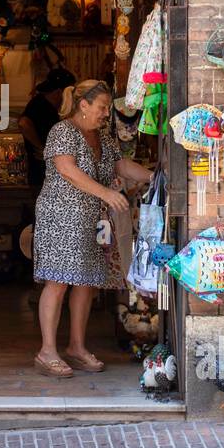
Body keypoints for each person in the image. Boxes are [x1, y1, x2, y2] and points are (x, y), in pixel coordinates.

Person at [31, 79, 153, 378]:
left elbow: (121, 166)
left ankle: (76, 347)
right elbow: (66, 169)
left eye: (107, 109)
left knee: (86, 282)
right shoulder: (62, 131)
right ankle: (47, 352)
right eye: (101, 108)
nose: (105, 114)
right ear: (83, 105)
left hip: (89, 219)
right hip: (60, 216)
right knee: (57, 281)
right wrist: (107, 193)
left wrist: (155, 176)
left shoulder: (102, 137)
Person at [18, 67, 75, 190]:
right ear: (60, 92)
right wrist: (42, 148)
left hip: (50, 173)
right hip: (41, 173)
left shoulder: (54, 108)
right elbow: (23, 123)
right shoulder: (39, 104)